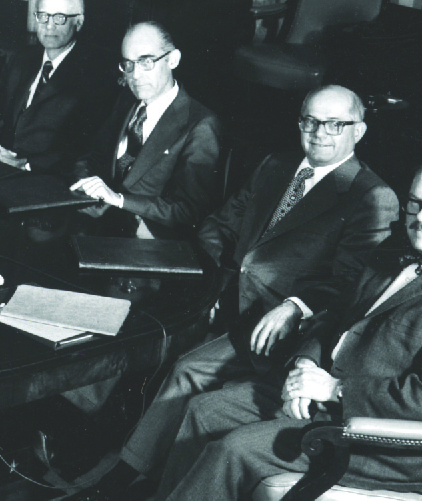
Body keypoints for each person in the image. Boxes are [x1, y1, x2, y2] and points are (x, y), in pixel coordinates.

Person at [69, 85, 398, 501]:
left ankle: (130, 479)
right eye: (311, 121)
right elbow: (219, 225)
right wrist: (211, 280)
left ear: (359, 131)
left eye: (336, 124)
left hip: (287, 331)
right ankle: (112, 465)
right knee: (137, 331)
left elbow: (352, 285)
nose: (320, 132)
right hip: (227, 299)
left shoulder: (371, 196)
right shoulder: (277, 165)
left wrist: (295, 306)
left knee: (188, 369)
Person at [157, 164, 422, 501]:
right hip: (323, 400)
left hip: (375, 442)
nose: (421, 217)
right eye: (416, 204)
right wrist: (303, 367)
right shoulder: (396, 250)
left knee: (232, 449)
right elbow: (335, 318)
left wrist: (334, 389)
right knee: (204, 409)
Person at [70, 21, 222, 240]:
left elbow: (187, 211)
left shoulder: (201, 124)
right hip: (99, 226)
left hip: (149, 242)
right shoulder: (126, 102)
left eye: (146, 62)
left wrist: (118, 199)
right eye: (128, 64)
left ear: (173, 59)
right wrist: (85, 191)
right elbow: (91, 158)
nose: (135, 75)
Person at [0, 0, 115, 176]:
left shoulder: (93, 76)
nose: (49, 26)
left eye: (59, 18)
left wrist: (26, 163)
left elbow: (84, 147)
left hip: (42, 178)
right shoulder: (20, 59)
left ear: (79, 22)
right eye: (43, 16)